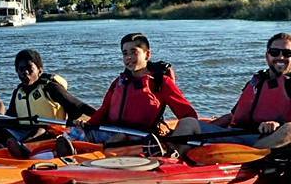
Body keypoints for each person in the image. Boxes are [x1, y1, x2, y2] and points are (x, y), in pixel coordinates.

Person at [69, 32, 200, 149]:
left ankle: (104, 148)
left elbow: (188, 115)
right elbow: (104, 109)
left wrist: (176, 136)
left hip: (140, 135)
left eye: (134, 52)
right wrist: (87, 125)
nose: (128, 57)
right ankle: (75, 148)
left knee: (121, 137)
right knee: (75, 132)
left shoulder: (161, 82)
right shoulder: (119, 82)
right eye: (125, 53)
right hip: (112, 130)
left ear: (147, 54)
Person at [209, 32, 291, 149]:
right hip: (239, 135)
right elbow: (232, 116)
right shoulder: (256, 82)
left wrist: (279, 126)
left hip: (272, 141)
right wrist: (205, 128)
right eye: (274, 52)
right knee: (190, 123)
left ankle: (250, 157)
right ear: (267, 56)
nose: (280, 57)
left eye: (287, 53)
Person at [0, 49, 96, 156]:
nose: (25, 72)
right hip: (25, 131)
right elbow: (11, 117)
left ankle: (24, 149)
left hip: (51, 131)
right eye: (21, 69)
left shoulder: (50, 88)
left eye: (30, 68)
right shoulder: (18, 92)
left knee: (40, 129)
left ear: (39, 70)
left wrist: (98, 118)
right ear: (17, 72)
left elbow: (78, 106)